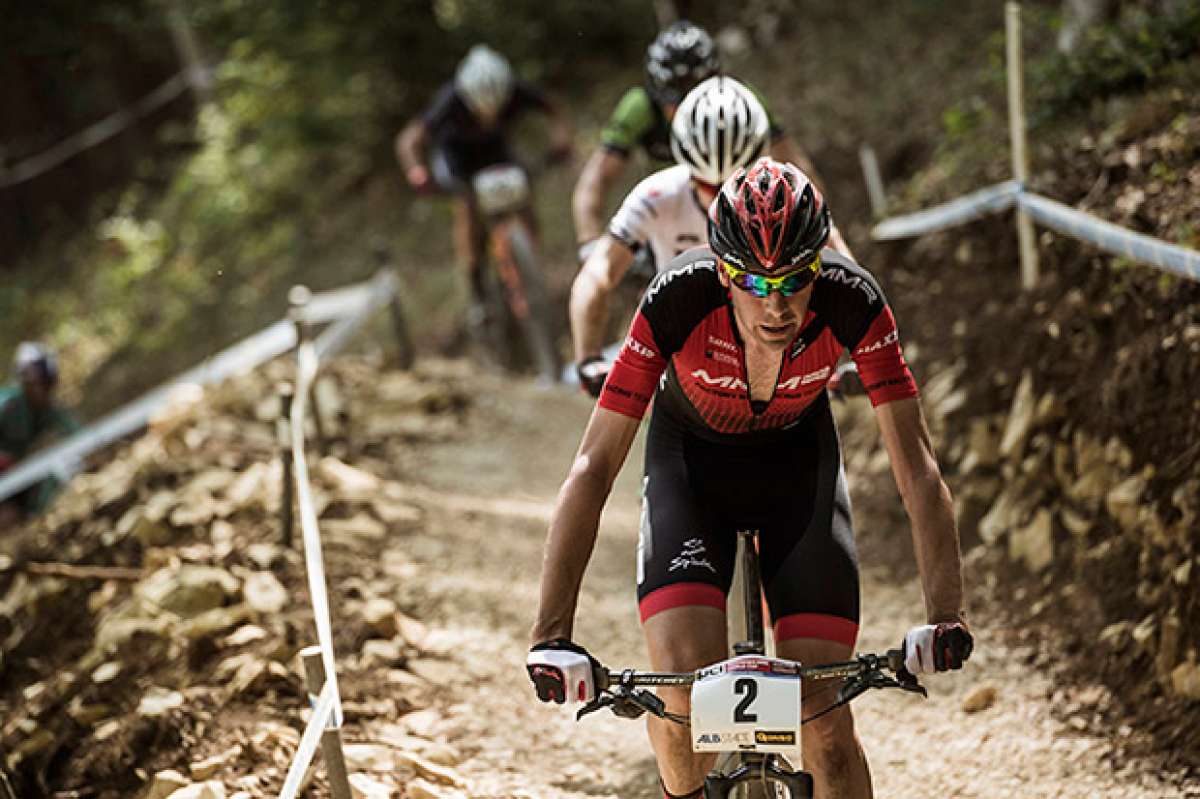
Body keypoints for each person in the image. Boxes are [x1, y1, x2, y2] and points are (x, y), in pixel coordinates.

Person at [527, 159, 973, 799]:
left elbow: (917, 469)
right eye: (752, 282)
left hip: (797, 467)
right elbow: (594, 468)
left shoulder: (855, 301)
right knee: (682, 699)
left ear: (818, 265)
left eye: (795, 280)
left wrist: (945, 615)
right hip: (691, 469)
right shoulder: (677, 298)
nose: (777, 303)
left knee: (822, 716)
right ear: (720, 269)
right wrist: (551, 637)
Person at [570, 75, 771, 397]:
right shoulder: (656, 194)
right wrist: (587, 357)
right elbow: (597, 273)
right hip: (681, 341)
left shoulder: (789, 192)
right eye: (706, 186)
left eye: (734, 183)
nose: (718, 199)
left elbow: (841, 265)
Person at [571, 20, 826, 265]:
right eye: (674, 100)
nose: (685, 110)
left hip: (740, 213)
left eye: (695, 94)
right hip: (666, 217)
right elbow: (597, 179)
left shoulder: (742, 101)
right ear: (656, 92)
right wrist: (589, 243)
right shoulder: (639, 107)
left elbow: (797, 166)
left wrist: (816, 228)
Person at [395, 45, 573, 319]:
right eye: (480, 108)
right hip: (456, 159)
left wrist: (562, 141)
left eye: (496, 107)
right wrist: (417, 173)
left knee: (523, 196)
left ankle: (529, 265)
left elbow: (553, 108)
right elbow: (409, 140)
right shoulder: (450, 99)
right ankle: (475, 282)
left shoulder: (516, 90)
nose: (488, 114)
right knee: (467, 207)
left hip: (495, 152)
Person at [0, 342, 79, 528]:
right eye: (35, 383)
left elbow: (76, 433)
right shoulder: (7, 404)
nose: (40, 390)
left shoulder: (46, 408)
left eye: (45, 383)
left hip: (17, 477)